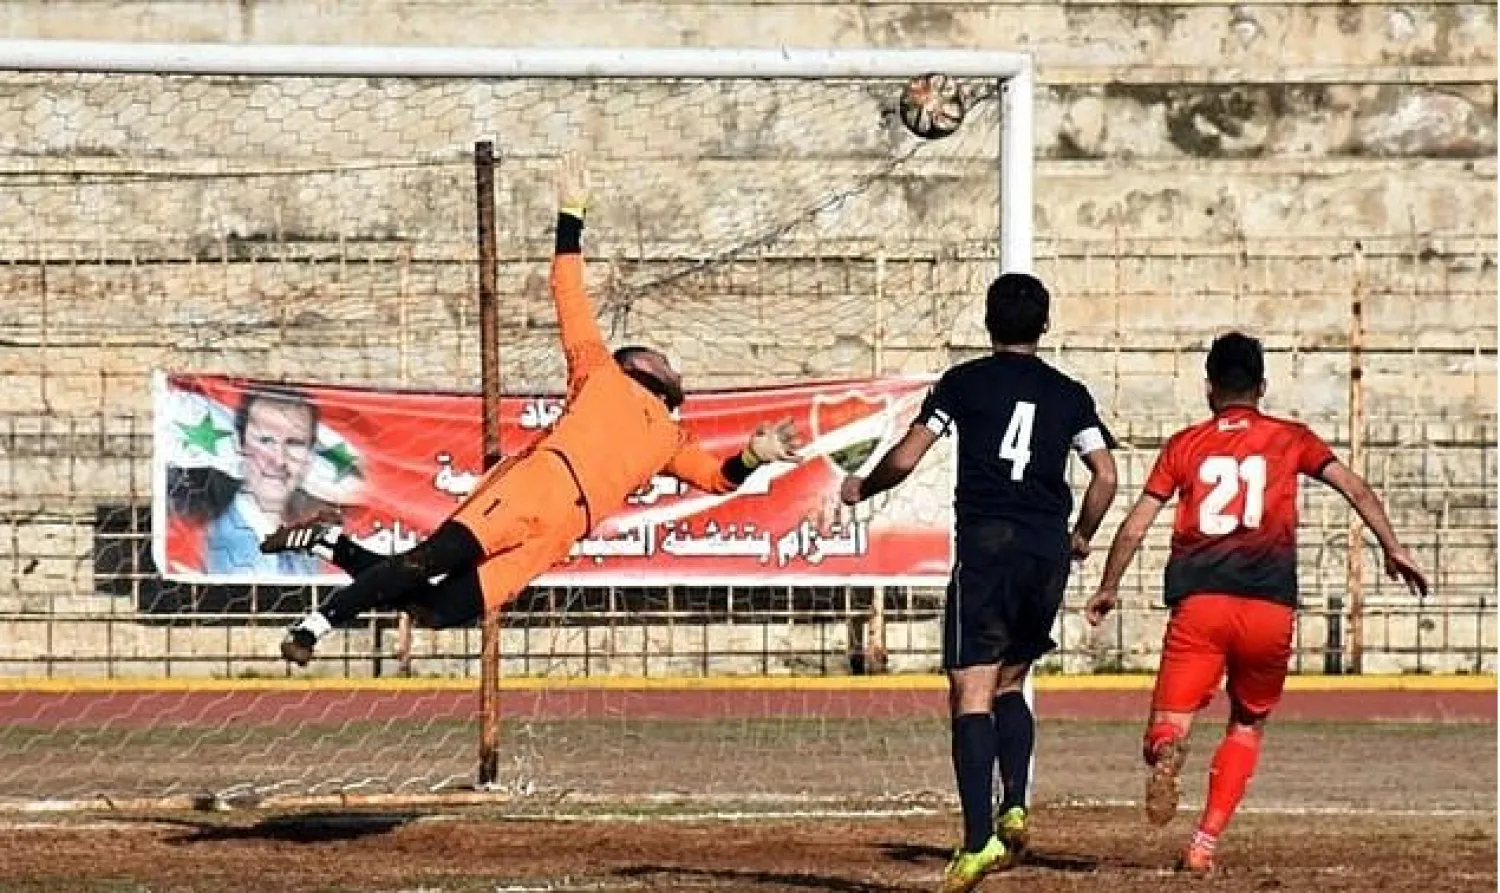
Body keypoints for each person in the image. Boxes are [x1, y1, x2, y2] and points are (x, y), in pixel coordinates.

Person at [273, 154, 803, 665]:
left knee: (436, 610)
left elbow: (718, 478)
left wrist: (754, 456)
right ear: (639, 362)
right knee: (428, 560)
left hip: (562, 530)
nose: (675, 366)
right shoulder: (600, 369)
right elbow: (567, 290)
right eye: (664, 357)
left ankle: (327, 542)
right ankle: (312, 627)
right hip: (538, 484)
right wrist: (571, 216)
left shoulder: (672, 437)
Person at [1083, 331, 1429, 874]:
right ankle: (1203, 844)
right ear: (1262, 386)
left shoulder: (1184, 445)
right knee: (1247, 723)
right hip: (1269, 606)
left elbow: (1134, 527)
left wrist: (1108, 585)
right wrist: (1393, 546)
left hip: (1201, 604)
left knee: (1168, 723)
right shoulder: (1292, 438)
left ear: (1209, 388)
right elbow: (1355, 488)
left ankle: (1169, 747)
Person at [840, 272, 1119, 892]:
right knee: (1012, 681)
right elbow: (1105, 475)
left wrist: (864, 484)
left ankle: (976, 844)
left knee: (970, 689)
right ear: (1044, 326)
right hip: (1046, 549)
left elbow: (908, 457)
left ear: (988, 324)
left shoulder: (963, 384)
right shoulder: (1069, 394)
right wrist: (1081, 535)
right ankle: (1014, 802)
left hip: (989, 545)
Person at [200, 387, 330, 576]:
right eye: (265, 441)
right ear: (239, 445)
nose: (279, 459)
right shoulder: (212, 543)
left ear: (310, 455)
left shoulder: (308, 553)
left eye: (294, 443)